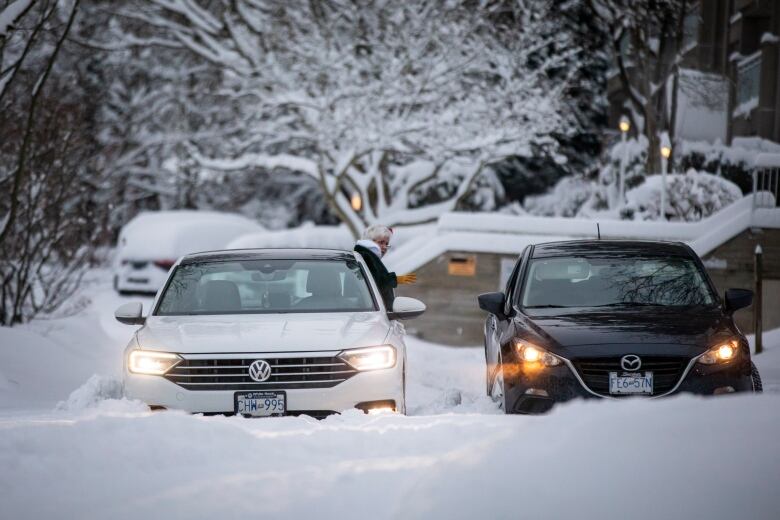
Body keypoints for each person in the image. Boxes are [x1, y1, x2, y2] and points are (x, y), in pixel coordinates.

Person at [354, 225, 416, 309]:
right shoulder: (366, 256)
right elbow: (374, 282)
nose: (384, 247)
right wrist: (394, 279)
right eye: (381, 242)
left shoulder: (365, 255)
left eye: (387, 244)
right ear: (370, 241)